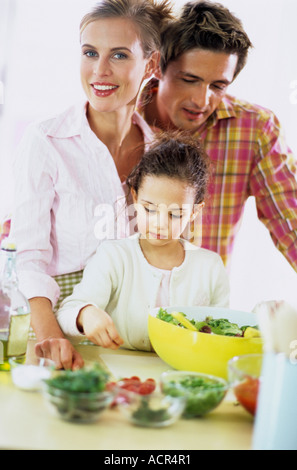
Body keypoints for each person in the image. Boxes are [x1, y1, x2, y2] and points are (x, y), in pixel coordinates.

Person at [9, 0, 173, 369]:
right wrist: (52, 337)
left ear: (151, 65)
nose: (99, 71)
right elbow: (28, 257)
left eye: (118, 55)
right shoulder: (46, 140)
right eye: (89, 52)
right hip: (52, 332)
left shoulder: (162, 154)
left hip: (132, 337)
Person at [138, 0, 297, 272]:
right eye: (189, 80)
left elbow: (290, 222)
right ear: (157, 66)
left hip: (201, 308)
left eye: (218, 85)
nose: (202, 100)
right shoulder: (118, 121)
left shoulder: (256, 129)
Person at [56, 131, 230, 351]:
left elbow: (222, 334)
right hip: (119, 374)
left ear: (195, 211)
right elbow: (68, 310)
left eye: (175, 214)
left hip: (182, 377)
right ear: (135, 198)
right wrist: (86, 314)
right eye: (149, 209)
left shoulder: (210, 267)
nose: (160, 224)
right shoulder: (114, 256)